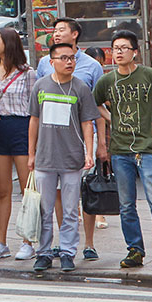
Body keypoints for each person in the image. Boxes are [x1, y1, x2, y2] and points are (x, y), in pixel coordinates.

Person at [94, 30, 152, 272]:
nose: (119, 52)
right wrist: (111, 118)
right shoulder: (107, 80)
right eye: (115, 48)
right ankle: (134, 250)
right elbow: (94, 104)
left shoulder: (150, 75)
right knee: (126, 204)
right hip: (119, 149)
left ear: (135, 52)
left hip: (147, 148)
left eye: (124, 48)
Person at [34, 17, 106, 259]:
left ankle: (80, 245)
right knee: (49, 203)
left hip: (77, 146)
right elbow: (35, 116)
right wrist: (31, 152)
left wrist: (96, 147)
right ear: (52, 61)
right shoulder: (43, 71)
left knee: (79, 197)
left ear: (75, 35)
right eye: (54, 30)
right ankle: (45, 251)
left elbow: (94, 113)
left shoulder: (89, 70)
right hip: (47, 149)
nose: (56, 33)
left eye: (61, 30)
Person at [0, 28, 37, 262]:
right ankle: (1, 241)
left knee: (27, 191)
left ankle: (28, 241)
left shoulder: (28, 73)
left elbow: (35, 107)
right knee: (3, 190)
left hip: (22, 128)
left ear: (9, 43)